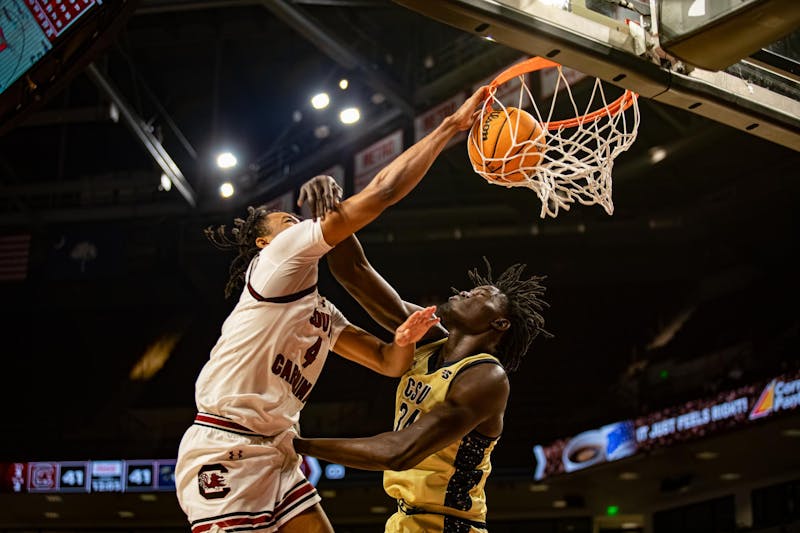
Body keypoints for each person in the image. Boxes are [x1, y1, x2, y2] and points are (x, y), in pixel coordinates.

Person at [174, 86, 488, 533]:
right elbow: (382, 193)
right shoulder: (277, 259)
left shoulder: (318, 311)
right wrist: (449, 127)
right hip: (225, 445)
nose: (297, 224)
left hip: (276, 447)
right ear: (266, 241)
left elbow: (386, 363)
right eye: (287, 221)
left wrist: (402, 340)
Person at [293, 207, 552, 533]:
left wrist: (298, 445)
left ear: (499, 323)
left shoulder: (485, 377)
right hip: (405, 520)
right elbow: (354, 271)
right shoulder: (427, 338)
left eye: (483, 295)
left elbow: (397, 452)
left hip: (450, 526)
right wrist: (331, 213)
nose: (467, 291)